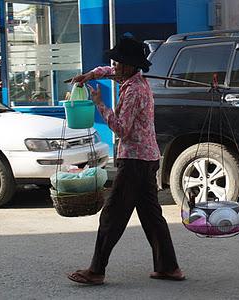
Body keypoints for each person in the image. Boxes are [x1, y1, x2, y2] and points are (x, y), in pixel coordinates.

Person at [67, 34, 185, 285]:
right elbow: (107, 70)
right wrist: (88, 76)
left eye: (119, 63)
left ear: (131, 66)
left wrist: (100, 104)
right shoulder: (130, 79)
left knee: (112, 215)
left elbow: (122, 130)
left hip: (135, 161)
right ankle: (168, 267)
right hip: (147, 158)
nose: (115, 67)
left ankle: (96, 271)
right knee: (152, 216)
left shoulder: (135, 92)